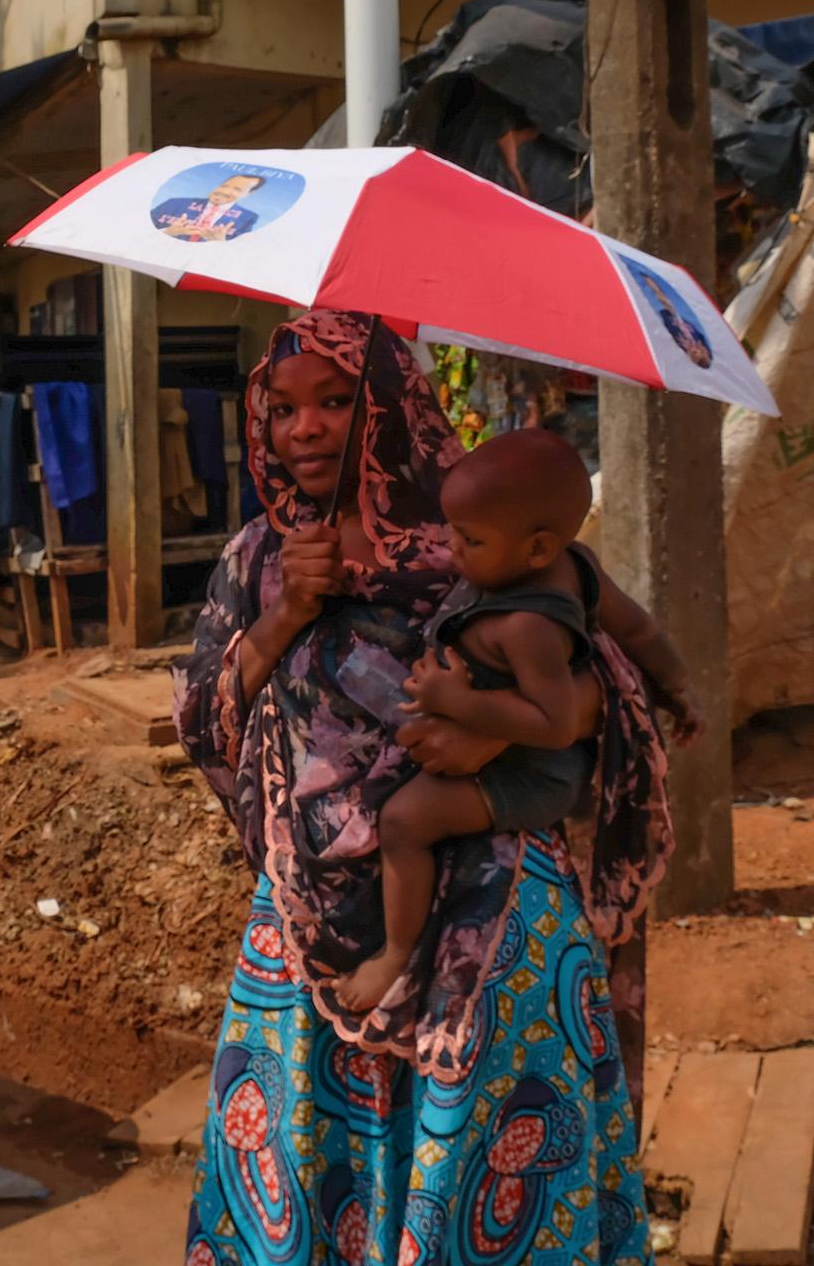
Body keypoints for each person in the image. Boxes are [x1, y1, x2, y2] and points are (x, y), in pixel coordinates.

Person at [173, 309, 689, 1266]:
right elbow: (203, 718)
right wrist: (288, 613)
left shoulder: (484, 536)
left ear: (393, 404)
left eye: (335, 400)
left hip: (490, 916)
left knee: (488, 1177)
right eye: (281, 409)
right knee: (303, 1168)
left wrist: (502, 734)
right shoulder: (257, 559)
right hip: (308, 925)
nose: (307, 429)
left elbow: (613, 683)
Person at [334, 428, 690, 1012]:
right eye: (452, 530)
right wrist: (681, 690)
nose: (451, 549)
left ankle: (394, 953)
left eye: (470, 540)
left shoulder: (527, 624)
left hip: (532, 772)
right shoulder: (579, 565)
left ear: (537, 550)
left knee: (402, 822)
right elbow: (641, 631)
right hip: (522, 752)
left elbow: (551, 722)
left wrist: (458, 703)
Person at [151, 171, 268, 242]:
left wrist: (219, 243)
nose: (225, 191)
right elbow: (141, 231)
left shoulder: (248, 218)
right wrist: (167, 232)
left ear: (248, 194)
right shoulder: (174, 203)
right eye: (225, 185)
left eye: (236, 189)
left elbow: (238, 253)